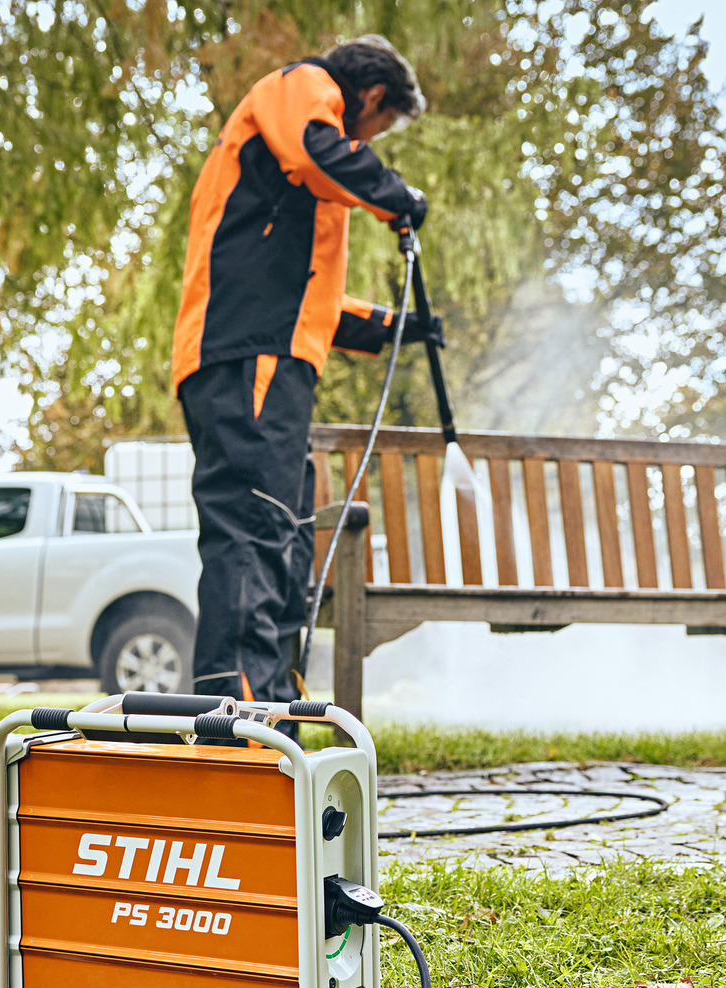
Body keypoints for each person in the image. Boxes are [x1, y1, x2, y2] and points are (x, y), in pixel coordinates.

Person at [172, 34, 438, 708]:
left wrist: (394, 327)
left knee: (283, 538)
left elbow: (313, 299)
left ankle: (272, 716)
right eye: (379, 128)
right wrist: (395, 195)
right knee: (253, 528)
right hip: (247, 355)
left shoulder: (297, 186)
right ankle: (235, 717)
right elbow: (323, 150)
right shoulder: (300, 88)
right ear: (372, 97)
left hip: (269, 354)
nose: (370, 140)